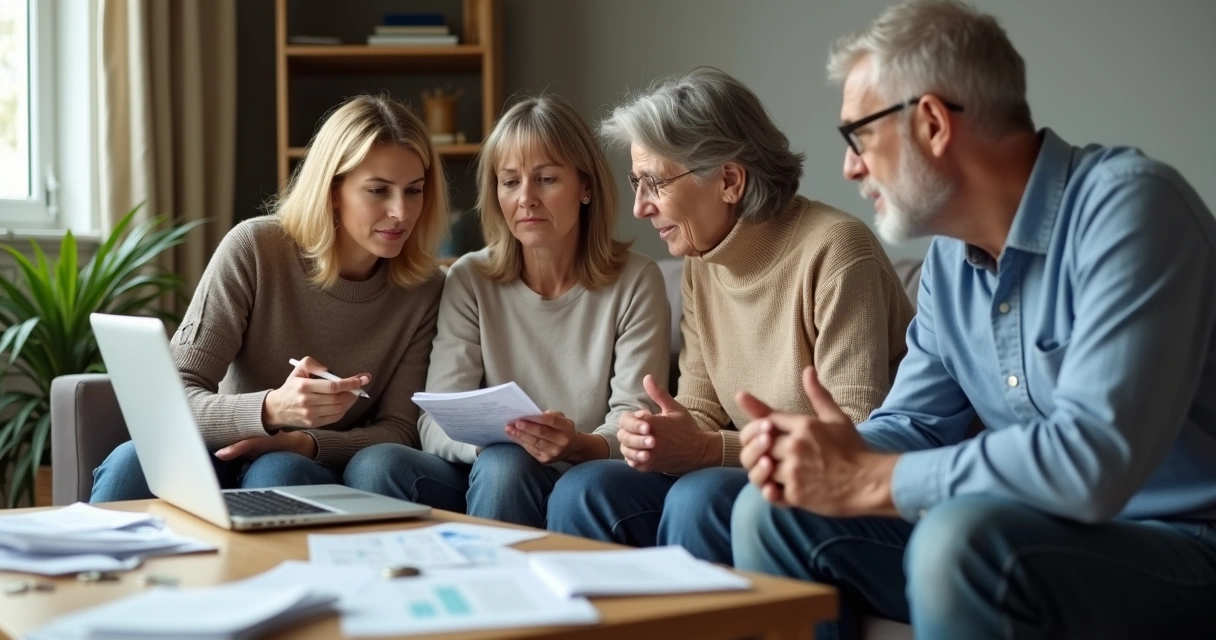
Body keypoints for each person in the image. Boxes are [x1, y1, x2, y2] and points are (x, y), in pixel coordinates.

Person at [730, 2, 1216, 639]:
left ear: (932, 123)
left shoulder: (1131, 208)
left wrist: (874, 477)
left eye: (859, 137)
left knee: (960, 539)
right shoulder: (947, 265)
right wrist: (835, 451)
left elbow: (1094, 459)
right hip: (1030, 532)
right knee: (769, 513)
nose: (849, 166)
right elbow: (915, 424)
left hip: (1181, 544)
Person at [546, 67, 914, 564]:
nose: (638, 208)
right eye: (636, 183)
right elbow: (701, 411)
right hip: (756, 473)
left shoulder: (836, 251)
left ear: (730, 180)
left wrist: (702, 450)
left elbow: (851, 432)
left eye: (653, 184)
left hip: (848, 489)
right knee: (584, 489)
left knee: (699, 498)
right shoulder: (702, 263)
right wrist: (661, 434)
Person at [89, 94, 448, 502]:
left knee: (281, 468)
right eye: (378, 190)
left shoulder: (424, 289)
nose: (401, 211)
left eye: (414, 191)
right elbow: (171, 399)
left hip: (310, 463)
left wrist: (304, 442)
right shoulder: (255, 249)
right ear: (333, 190)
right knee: (131, 463)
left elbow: (399, 429)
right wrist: (272, 410)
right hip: (218, 446)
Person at [345, 95, 670, 528]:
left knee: (509, 467)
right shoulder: (469, 278)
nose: (526, 199)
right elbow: (436, 418)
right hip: (486, 469)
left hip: (585, 472)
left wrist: (575, 443)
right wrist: (498, 441)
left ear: (586, 186)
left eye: (547, 179)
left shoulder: (636, 280)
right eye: (510, 181)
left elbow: (634, 419)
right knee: (377, 465)